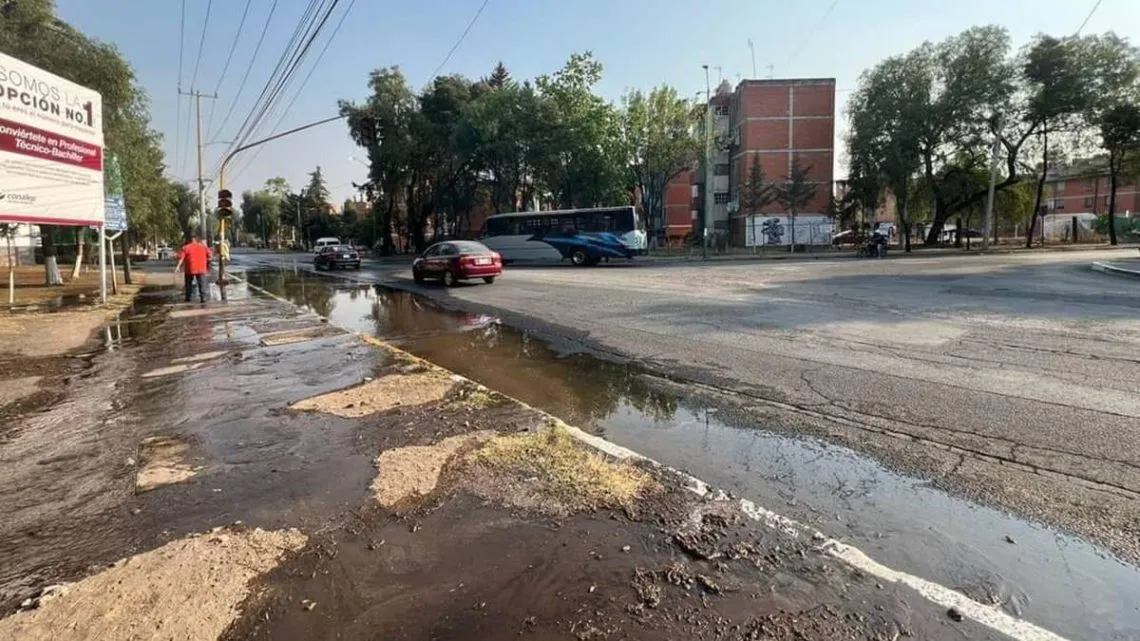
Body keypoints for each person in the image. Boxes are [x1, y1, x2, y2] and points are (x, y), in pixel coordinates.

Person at [174, 234, 212, 303]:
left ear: (190, 240)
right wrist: (208, 264)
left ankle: (188, 297)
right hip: (201, 268)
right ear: (197, 239)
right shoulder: (203, 247)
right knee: (202, 284)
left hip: (190, 269)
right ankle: (203, 298)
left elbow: (181, 258)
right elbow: (210, 256)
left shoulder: (186, 247)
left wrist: (178, 267)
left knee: (188, 284)